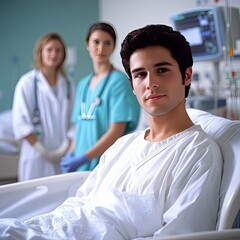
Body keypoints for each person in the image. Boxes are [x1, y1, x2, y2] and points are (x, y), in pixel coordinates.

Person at [0, 24, 222, 239]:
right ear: (133, 86)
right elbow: (80, 203)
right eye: (140, 75)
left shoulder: (196, 152)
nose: (150, 83)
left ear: (187, 76)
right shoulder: (125, 145)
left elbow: (179, 232)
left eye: (162, 70)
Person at [60, 22, 140, 173]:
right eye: (96, 42)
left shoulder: (119, 81)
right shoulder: (83, 84)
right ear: (87, 45)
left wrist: (85, 158)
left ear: (113, 47)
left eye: (107, 43)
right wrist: (71, 154)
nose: (101, 48)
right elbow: (78, 127)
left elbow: (116, 131)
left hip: (104, 164)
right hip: (79, 164)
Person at [12, 33, 75, 181]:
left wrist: (66, 147)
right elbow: (21, 123)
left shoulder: (67, 84)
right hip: (36, 155)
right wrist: (43, 150)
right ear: (40, 52)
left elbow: (74, 119)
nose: (54, 54)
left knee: (61, 199)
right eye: (49, 49)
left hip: (62, 154)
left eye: (58, 50)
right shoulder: (26, 83)